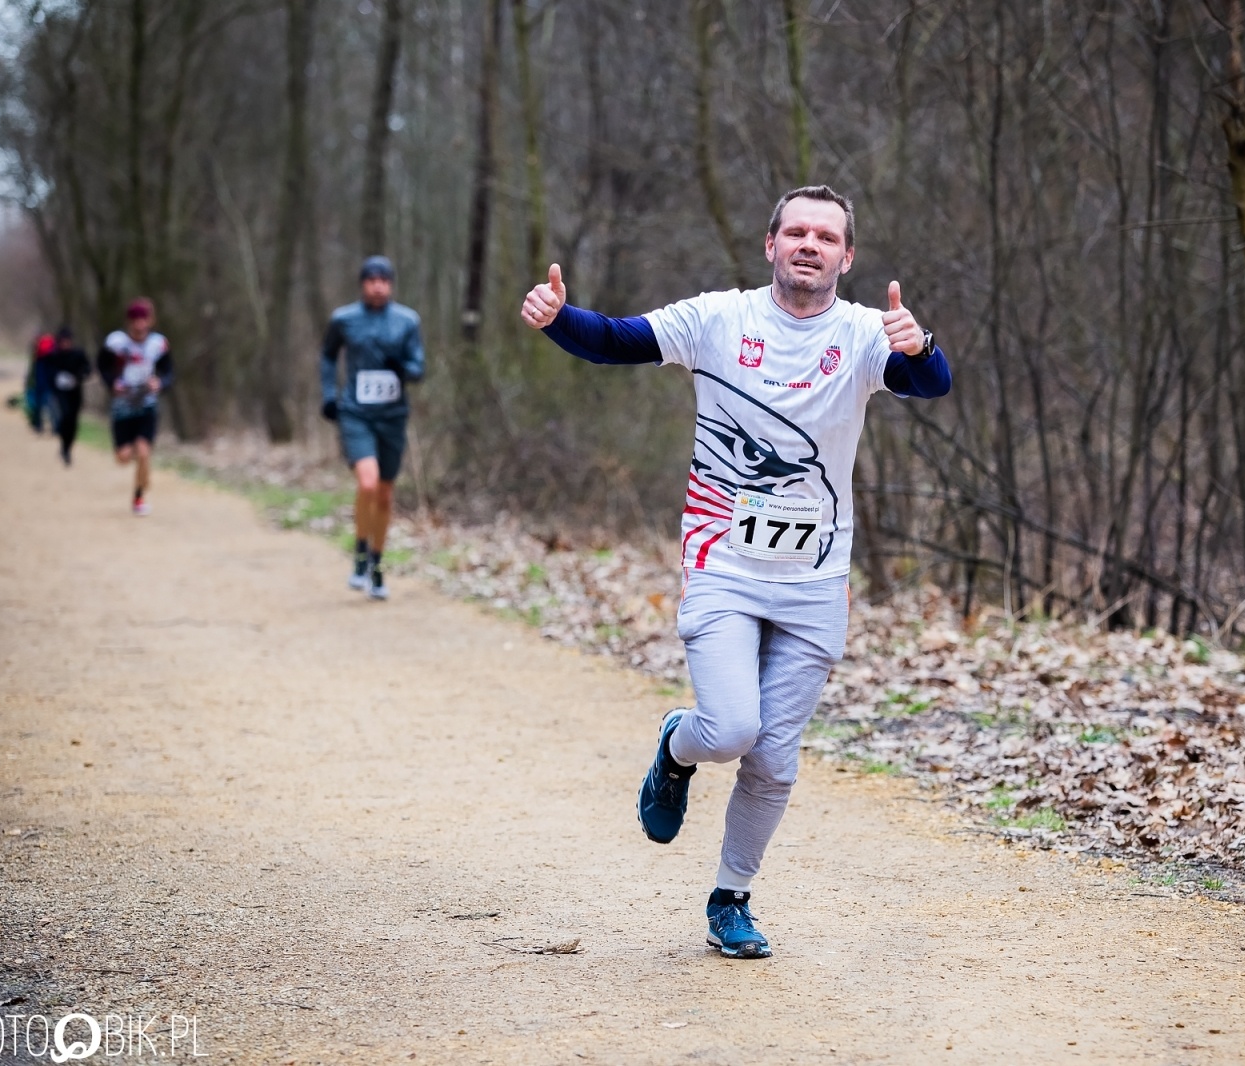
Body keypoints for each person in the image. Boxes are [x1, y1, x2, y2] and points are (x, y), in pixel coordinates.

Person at [519, 185, 952, 959]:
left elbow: (929, 386)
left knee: (775, 759)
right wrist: (560, 322)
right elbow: (618, 339)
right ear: (771, 245)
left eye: (826, 236)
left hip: (816, 580)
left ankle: (731, 899)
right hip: (723, 564)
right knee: (731, 729)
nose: (809, 245)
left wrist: (922, 349)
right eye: (796, 232)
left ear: (846, 257)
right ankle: (676, 749)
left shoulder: (862, 335)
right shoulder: (721, 319)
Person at [319, 255, 425, 600]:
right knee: (367, 482)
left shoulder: (407, 321)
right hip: (356, 413)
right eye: (371, 279)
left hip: (392, 416)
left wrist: (404, 368)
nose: (378, 285)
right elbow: (327, 355)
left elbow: (419, 367)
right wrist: (328, 394)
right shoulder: (344, 319)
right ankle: (360, 551)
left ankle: (376, 564)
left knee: (385, 493)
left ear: (391, 284)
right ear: (362, 283)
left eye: (384, 280)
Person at [97, 298, 173, 515]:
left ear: (151, 320)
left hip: (147, 405)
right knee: (123, 457)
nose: (139, 325)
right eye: (135, 320)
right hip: (122, 407)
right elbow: (102, 366)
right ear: (129, 322)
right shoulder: (116, 343)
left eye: (143, 320)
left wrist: (160, 383)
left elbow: (169, 372)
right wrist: (112, 383)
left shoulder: (158, 344)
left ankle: (139, 497)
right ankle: (140, 470)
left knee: (143, 451)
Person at [49, 326, 91, 466]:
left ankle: (67, 448)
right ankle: (62, 441)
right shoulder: (54, 356)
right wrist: (57, 379)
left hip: (75, 392)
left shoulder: (78, 354)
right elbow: (49, 373)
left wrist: (78, 378)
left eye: (67, 341)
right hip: (60, 393)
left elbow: (87, 369)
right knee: (64, 416)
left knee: (73, 421)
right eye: (63, 341)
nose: (65, 344)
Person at [28, 330, 57, 433]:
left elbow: (32, 373)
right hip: (49, 384)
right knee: (51, 406)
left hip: (40, 384)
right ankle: (55, 427)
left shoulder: (38, 357)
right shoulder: (52, 356)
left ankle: (38, 425)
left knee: (39, 405)